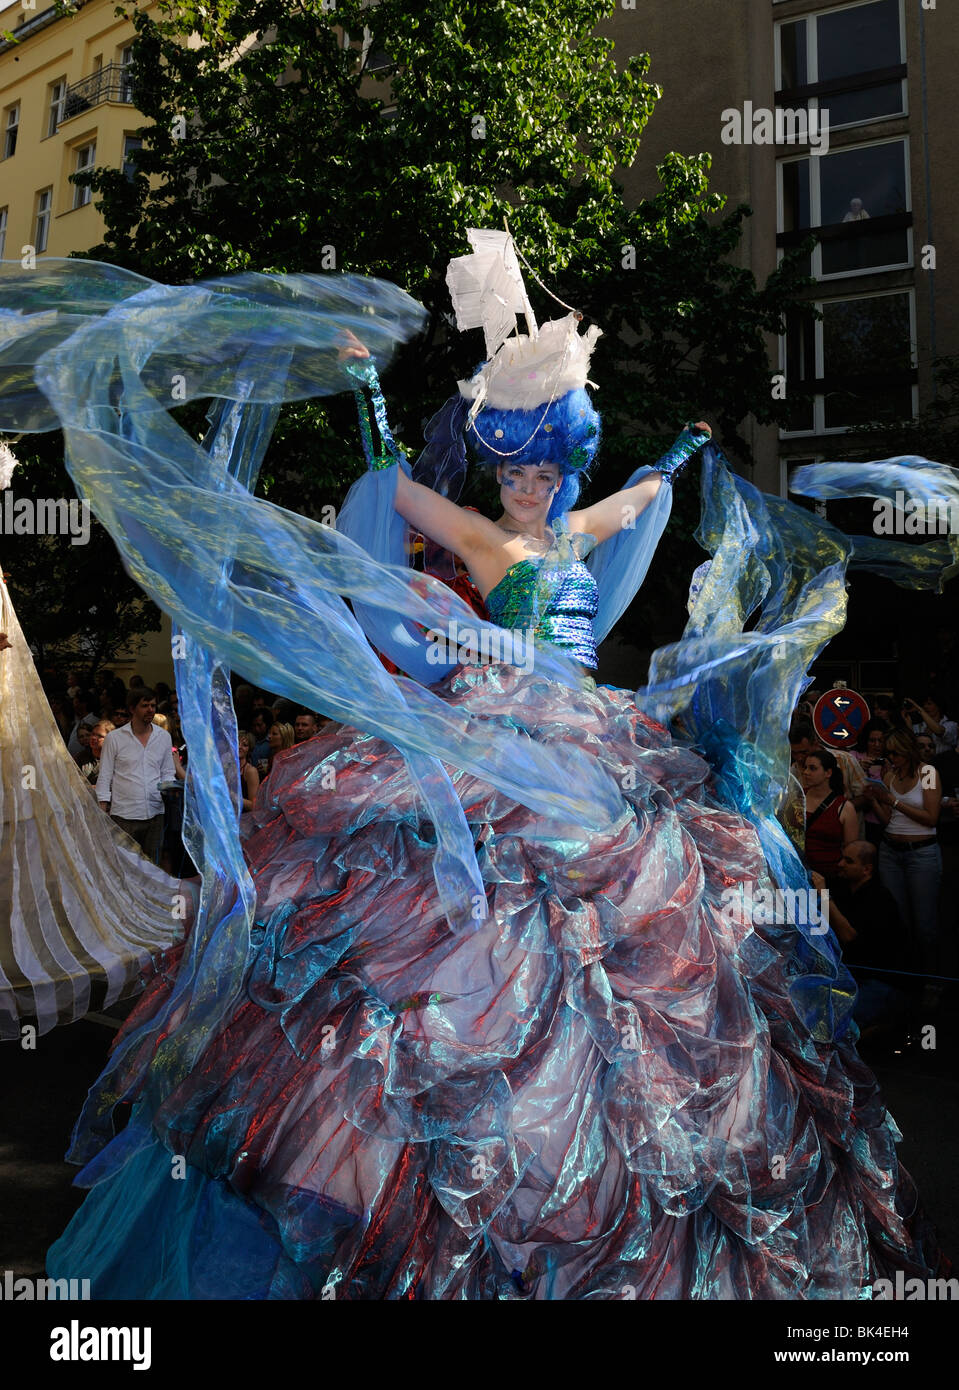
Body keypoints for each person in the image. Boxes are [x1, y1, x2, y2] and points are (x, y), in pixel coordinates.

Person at [7, 243, 941, 1298]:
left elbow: (632, 504)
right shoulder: (488, 547)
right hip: (502, 732)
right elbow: (396, 489)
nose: (528, 489)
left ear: (564, 466)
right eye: (511, 472)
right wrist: (366, 389)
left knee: (650, 946)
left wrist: (678, 455)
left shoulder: (576, 534)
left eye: (543, 471)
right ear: (495, 472)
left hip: (597, 747)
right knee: (470, 932)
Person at [864, 726, 942, 979]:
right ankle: (906, 975)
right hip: (890, 851)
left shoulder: (927, 773)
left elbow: (931, 817)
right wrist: (875, 798)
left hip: (921, 853)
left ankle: (932, 978)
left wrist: (893, 802)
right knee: (899, 918)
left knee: (924, 922)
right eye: (889, 754)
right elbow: (888, 819)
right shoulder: (890, 776)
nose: (892, 759)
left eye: (896, 754)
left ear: (907, 752)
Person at [811, 843, 911, 1031]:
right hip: (854, 975)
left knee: (839, 1023)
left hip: (883, 981)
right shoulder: (844, 886)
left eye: (848, 861)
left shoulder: (879, 897)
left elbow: (849, 935)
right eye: (841, 858)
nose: (840, 864)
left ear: (867, 869)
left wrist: (824, 897)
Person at [96, 687, 184, 863]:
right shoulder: (115, 738)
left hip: (155, 813)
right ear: (132, 709)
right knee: (123, 866)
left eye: (153, 705)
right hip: (124, 815)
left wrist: (169, 787)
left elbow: (167, 772)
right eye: (145, 705)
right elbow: (104, 777)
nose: (151, 709)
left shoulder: (164, 737)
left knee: (152, 867)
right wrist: (101, 812)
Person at [801, 748, 857, 882]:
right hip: (800, 873)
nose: (806, 772)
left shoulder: (845, 808)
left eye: (812, 768)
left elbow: (851, 850)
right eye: (805, 767)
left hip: (830, 877)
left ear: (828, 773)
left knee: (826, 904)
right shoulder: (797, 797)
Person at [854, 719, 887, 846]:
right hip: (861, 821)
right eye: (872, 740)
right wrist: (858, 768)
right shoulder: (854, 757)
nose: (877, 745)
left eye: (881, 741)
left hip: (884, 822)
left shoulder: (893, 761)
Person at [905, 691, 958, 755]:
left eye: (929, 704)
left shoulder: (951, 725)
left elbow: (939, 731)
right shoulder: (917, 726)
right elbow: (912, 746)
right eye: (923, 704)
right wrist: (908, 722)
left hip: (943, 763)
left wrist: (920, 710)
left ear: (938, 706)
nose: (925, 707)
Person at [237, 730, 261, 812]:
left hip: (243, 819)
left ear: (249, 749)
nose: (239, 746)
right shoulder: (227, 767)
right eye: (237, 742)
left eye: (244, 745)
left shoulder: (250, 771)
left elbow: (253, 805)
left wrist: (232, 796)